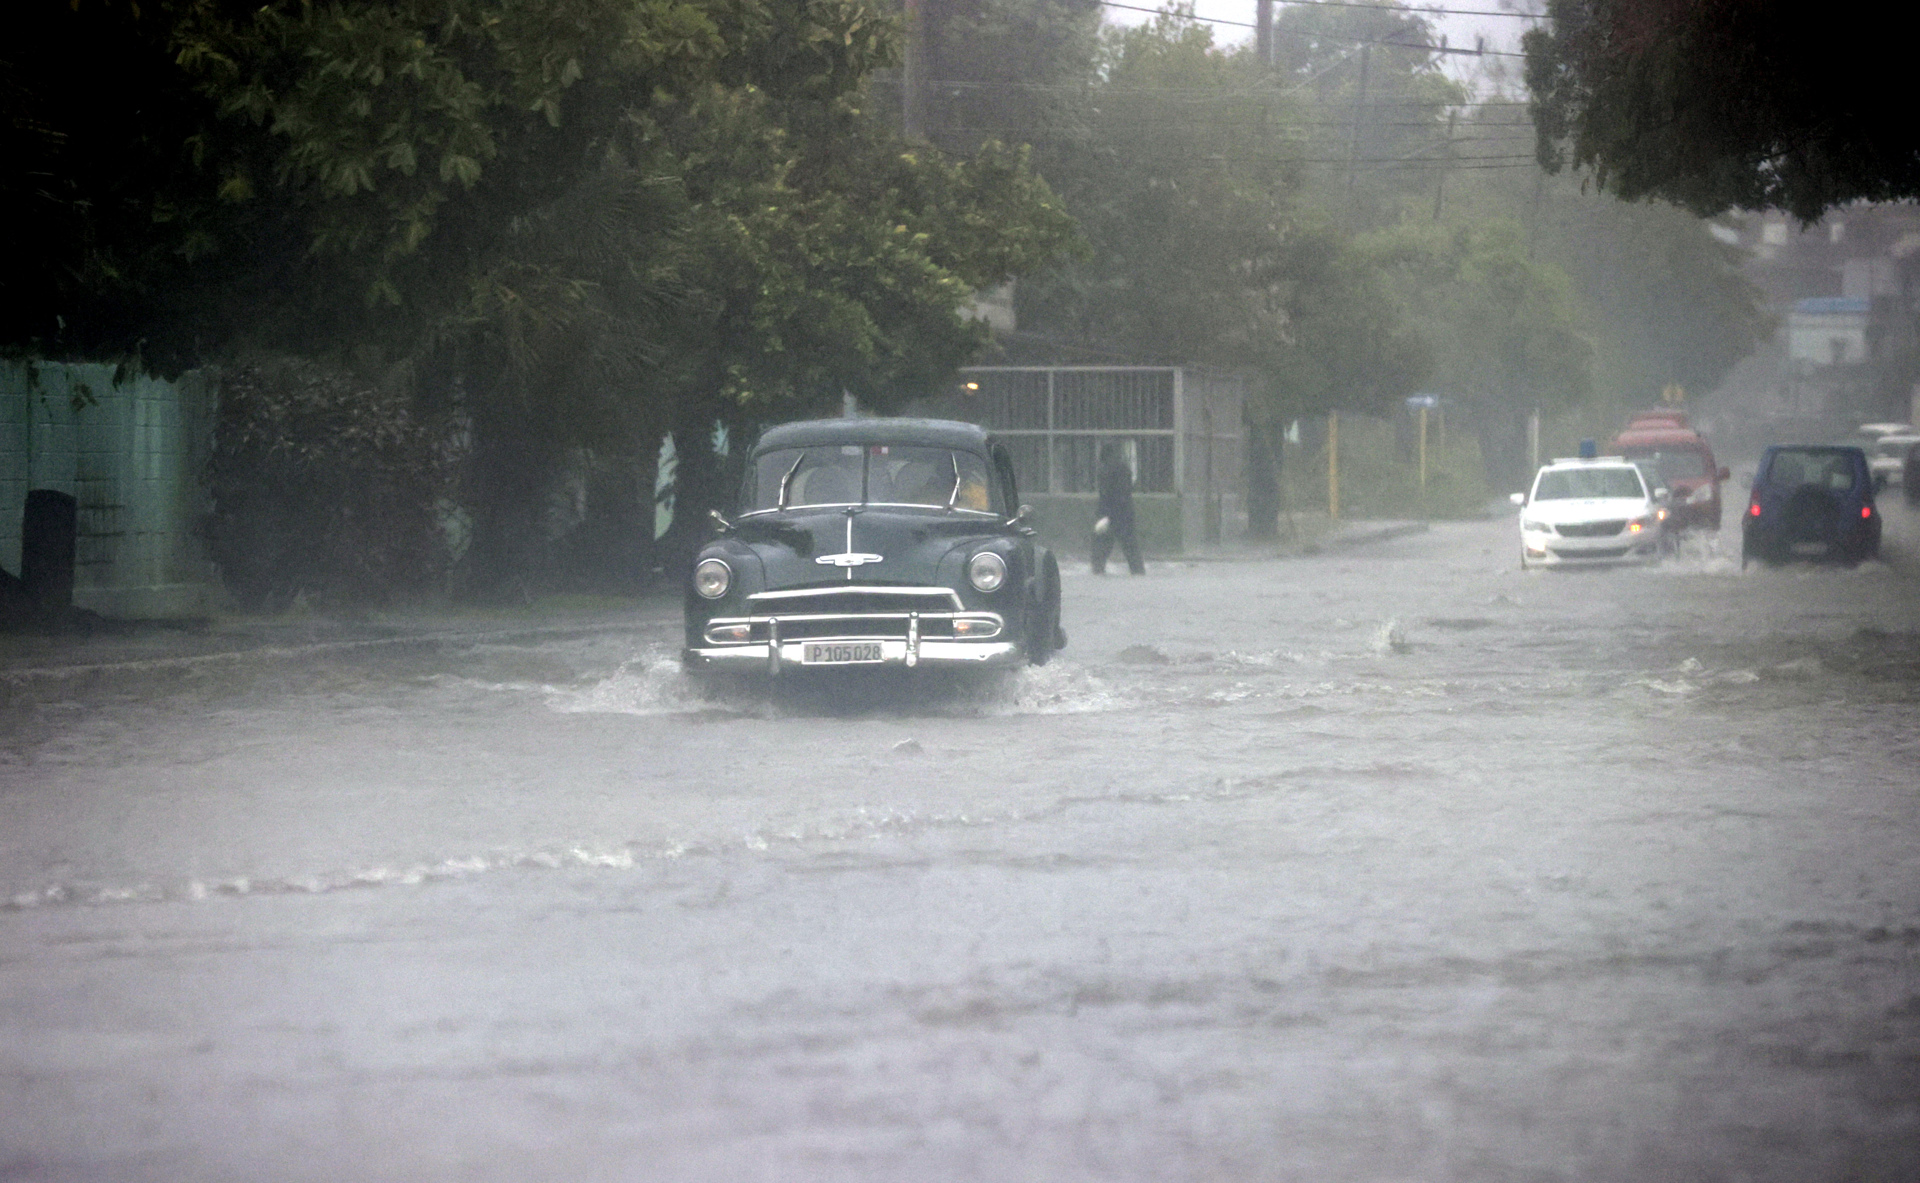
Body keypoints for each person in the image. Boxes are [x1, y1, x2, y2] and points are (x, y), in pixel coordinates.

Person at [1091, 442, 1144, 575]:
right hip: (1125, 512)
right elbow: (1126, 490)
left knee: (1102, 546)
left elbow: (1105, 494)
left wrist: (1103, 513)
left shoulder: (1104, 470)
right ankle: (1138, 571)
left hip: (1108, 513)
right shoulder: (1124, 468)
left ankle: (1098, 570)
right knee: (1130, 546)